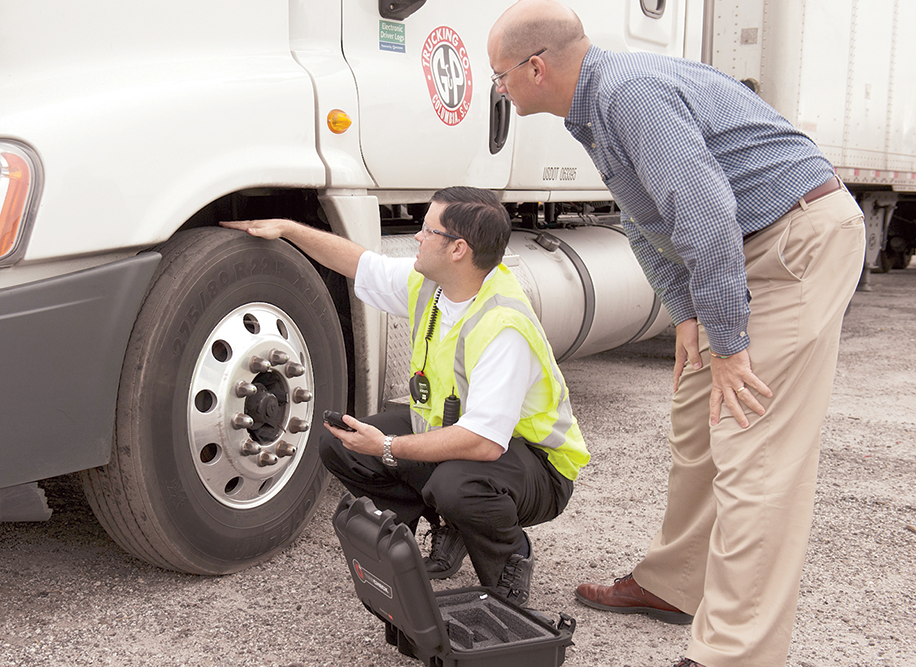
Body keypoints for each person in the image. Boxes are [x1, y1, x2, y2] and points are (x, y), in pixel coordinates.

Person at [486, 2, 866, 666]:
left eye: (500, 75)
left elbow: (706, 214)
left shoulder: (629, 93)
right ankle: (677, 583)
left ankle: (734, 653)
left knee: (755, 446)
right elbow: (644, 217)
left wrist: (729, 339)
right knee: (697, 419)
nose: (498, 88)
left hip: (793, 243)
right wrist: (688, 315)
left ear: (536, 68)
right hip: (743, 249)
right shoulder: (592, 108)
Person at [220, 187, 589, 604]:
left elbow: (485, 442)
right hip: (461, 439)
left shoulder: (502, 325)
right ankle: (441, 533)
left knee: (456, 485)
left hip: (536, 464)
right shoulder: (433, 285)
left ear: (458, 249)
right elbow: (359, 264)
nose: (417, 236)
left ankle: (508, 568)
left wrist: (389, 446)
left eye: (428, 229)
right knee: (341, 442)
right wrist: (289, 230)